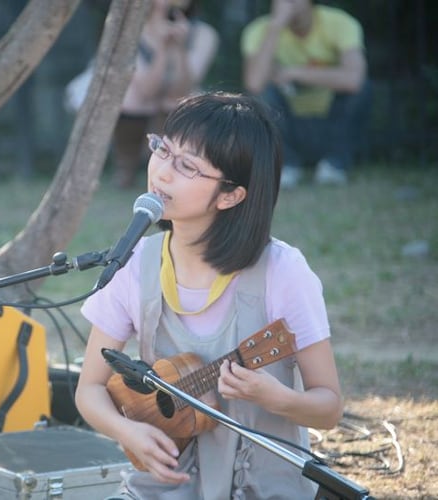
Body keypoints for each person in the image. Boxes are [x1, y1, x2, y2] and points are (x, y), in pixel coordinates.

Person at [74, 92, 343, 499]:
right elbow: (89, 389)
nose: (162, 172)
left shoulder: (282, 271)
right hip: (160, 488)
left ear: (231, 195)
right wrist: (130, 432)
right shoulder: (136, 264)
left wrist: (279, 398)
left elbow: (329, 407)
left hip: (260, 489)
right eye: (163, 149)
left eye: (187, 166)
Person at [240, 0, 372, 188]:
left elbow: (354, 79)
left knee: (363, 89)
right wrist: (276, 26)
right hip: (286, 126)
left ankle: (335, 165)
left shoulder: (339, 22)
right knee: (259, 95)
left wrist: (294, 73)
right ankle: (284, 164)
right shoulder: (259, 30)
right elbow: (254, 83)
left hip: (332, 123)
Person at [111, 0, 218, 189]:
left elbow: (182, 88)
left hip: (177, 99)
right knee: (132, 98)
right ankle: (126, 167)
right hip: (140, 98)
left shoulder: (204, 34)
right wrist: (161, 48)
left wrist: (178, 48)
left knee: (182, 100)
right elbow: (147, 89)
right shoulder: (129, 33)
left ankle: (172, 164)